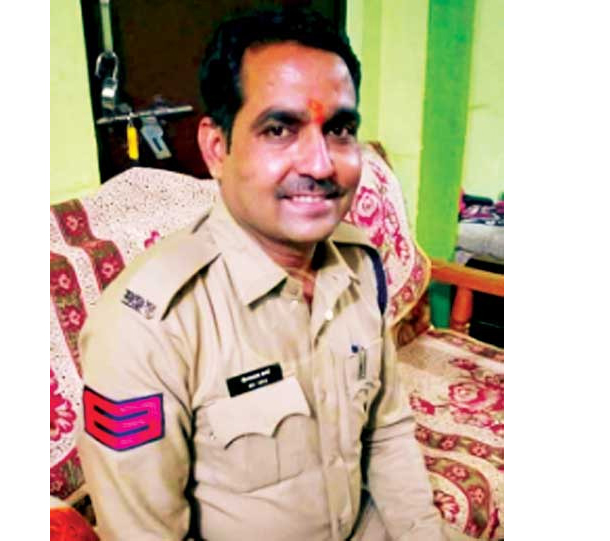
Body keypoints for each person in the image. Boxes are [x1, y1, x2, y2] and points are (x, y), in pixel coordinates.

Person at [77, 7, 444, 541]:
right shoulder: (148, 327)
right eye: (279, 129)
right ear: (217, 148)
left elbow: (386, 431)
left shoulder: (359, 266)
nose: (321, 164)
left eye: (340, 129)